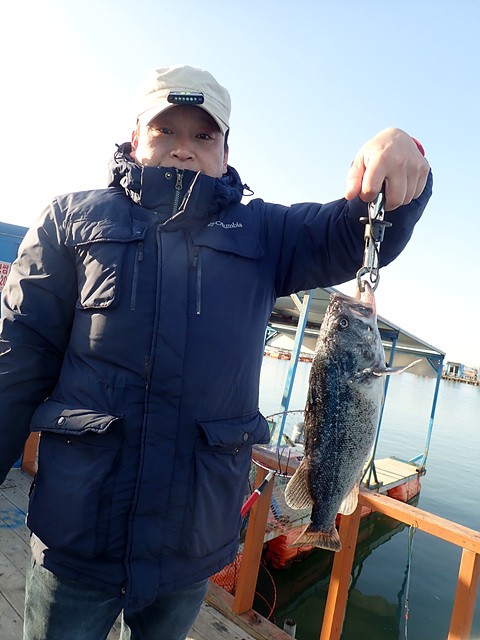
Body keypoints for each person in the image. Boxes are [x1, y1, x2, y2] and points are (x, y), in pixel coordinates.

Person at [0, 65, 431, 640]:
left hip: (192, 545)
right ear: (136, 137)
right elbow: (17, 362)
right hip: (76, 535)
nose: (184, 148)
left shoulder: (266, 233)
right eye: (165, 130)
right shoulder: (70, 220)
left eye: (203, 135)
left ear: (226, 152)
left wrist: (405, 156)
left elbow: (354, 230)